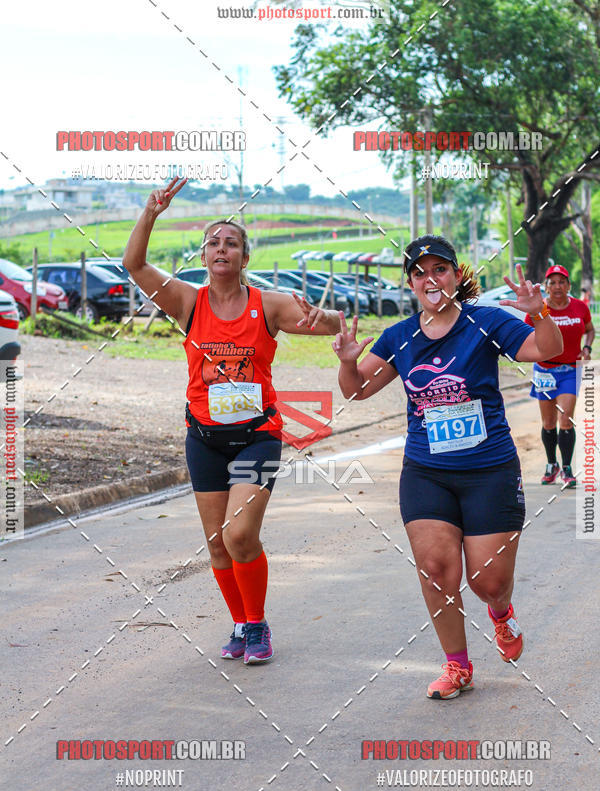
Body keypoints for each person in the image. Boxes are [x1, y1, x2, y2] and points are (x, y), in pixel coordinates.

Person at [333, 235, 563, 700]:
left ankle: (501, 612)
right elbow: (356, 391)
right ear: (411, 283)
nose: (430, 279)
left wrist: (538, 310)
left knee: (487, 580)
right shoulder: (400, 336)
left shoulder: (486, 322)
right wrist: (347, 361)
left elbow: (547, 349)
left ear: (457, 276)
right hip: (427, 472)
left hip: (490, 469)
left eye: (440, 269)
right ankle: (457, 666)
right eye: (420, 272)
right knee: (437, 568)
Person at [123, 177, 341, 664]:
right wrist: (151, 212)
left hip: (256, 437)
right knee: (216, 546)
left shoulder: (269, 304)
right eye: (214, 242)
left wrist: (323, 318)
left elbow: (332, 323)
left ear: (245, 258)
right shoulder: (187, 302)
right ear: (204, 256)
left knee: (239, 535)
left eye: (233, 243)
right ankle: (241, 625)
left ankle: (258, 623)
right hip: (203, 437)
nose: (222, 248)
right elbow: (134, 264)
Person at [528, 265, 595, 488]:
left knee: (565, 419)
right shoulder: (539, 309)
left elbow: (590, 329)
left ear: (568, 285)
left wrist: (587, 349)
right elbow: (527, 335)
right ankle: (551, 464)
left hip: (570, 369)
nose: (557, 286)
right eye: (552, 282)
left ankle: (566, 468)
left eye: (562, 282)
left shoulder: (579, 307)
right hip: (544, 370)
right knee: (548, 422)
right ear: (546, 287)